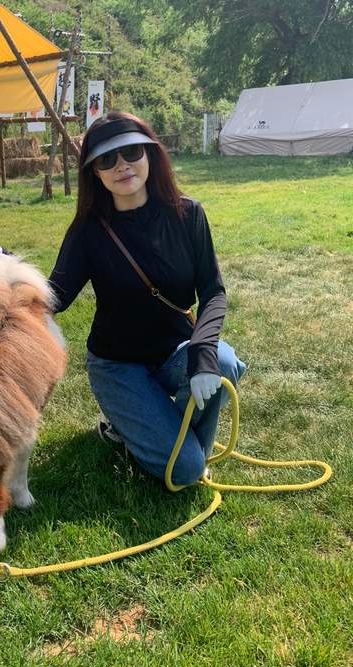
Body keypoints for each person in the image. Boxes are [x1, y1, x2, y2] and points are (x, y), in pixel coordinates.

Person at [48, 112, 246, 486]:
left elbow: (213, 291)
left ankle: (176, 445)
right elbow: (54, 296)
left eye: (131, 152)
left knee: (221, 362)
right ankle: (130, 426)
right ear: (95, 172)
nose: (122, 165)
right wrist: (7, 271)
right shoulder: (88, 231)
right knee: (185, 470)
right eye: (107, 159)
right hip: (117, 365)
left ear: (150, 155)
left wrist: (202, 352)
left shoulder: (189, 214)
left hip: (175, 352)